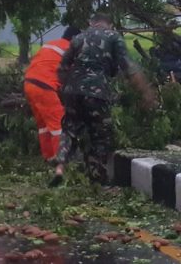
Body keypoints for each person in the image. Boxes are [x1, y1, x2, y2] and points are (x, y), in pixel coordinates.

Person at [51, 13, 156, 187]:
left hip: (72, 91)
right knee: (100, 135)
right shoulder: (113, 37)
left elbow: (61, 68)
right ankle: (97, 179)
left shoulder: (78, 38)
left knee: (69, 129)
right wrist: (146, 93)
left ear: (91, 22)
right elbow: (129, 68)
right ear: (110, 24)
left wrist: (65, 91)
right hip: (97, 93)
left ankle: (60, 168)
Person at [23, 26, 81, 161]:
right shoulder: (71, 50)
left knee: (44, 125)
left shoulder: (51, 44)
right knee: (59, 125)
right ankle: (60, 161)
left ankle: (48, 157)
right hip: (44, 86)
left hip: (29, 84)